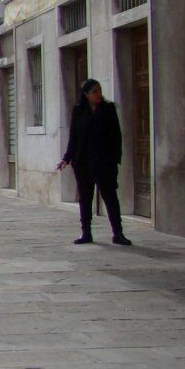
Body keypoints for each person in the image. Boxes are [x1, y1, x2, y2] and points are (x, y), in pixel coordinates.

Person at [56, 79, 131, 245]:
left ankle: (118, 233)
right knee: (85, 197)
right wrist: (66, 158)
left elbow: (116, 135)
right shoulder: (78, 110)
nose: (98, 94)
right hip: (83, 161)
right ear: (86, 94)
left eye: (99, 90)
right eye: (94, 91)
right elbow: (74, 136)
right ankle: (86, 232)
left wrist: (115, 158)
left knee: (110, 196)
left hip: (104, 162)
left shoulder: (108, 109)